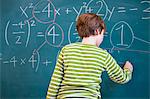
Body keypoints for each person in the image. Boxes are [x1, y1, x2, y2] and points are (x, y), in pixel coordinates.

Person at [46, 13, 133, 99]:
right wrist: (128, 69)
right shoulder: (103, 55)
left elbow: (55, 81)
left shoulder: (66, 50)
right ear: (97, 31)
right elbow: (121, 78)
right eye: (102, 34)